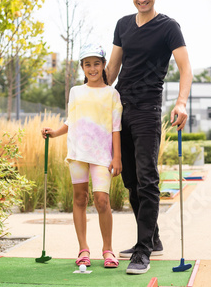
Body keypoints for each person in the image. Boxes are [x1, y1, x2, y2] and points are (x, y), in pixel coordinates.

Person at [106, 0, 193, 274]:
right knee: (130, 179)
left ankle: (142, 251)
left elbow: (186, 70)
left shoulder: (169, 28)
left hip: (147, 109)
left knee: (147, 177)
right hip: (120, 108)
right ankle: (152, 238)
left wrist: (181, 102)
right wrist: (91, 95)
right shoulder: (123, 25)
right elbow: (112, 70)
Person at [42, 43, 123, 269]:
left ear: (103, 65)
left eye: (96, 64)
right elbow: (72, 120)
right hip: (78, 153)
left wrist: (117, 157)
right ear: (82, 67)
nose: (92, 68)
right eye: (87, 64)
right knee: (79, 199)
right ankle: (83, 249)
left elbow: (116, 128)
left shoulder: (112, 94)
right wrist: (55, 132)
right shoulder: (75, 92)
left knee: (102, 200)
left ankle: (108, 250)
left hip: (102, 155)